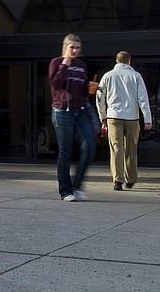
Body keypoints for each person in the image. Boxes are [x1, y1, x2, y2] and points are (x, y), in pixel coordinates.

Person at [96, 51, 153, 191]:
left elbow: (100, 97)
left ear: (116, 61)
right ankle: (131, 179)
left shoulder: (107, 76)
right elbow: (143, 99)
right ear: (129, 61)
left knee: (116, 148)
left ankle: (117, 180)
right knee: (131, 148)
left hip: (113, 116)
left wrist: (102, 115)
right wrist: (147, 119)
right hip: (132, 117)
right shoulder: (136, 76)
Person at [49, 33, 96, 201]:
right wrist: (64, 64)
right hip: (62, 111)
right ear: (65, 47)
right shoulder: (56, 62)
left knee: (89, 147)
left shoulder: (82, 65)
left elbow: (82, 90)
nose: (75, 51)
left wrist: (90, 88)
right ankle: (65, 190)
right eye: (72, 47)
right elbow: (55, 84)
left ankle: (77, 185)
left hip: (80, 110)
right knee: (65, 150)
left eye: (77, 48)